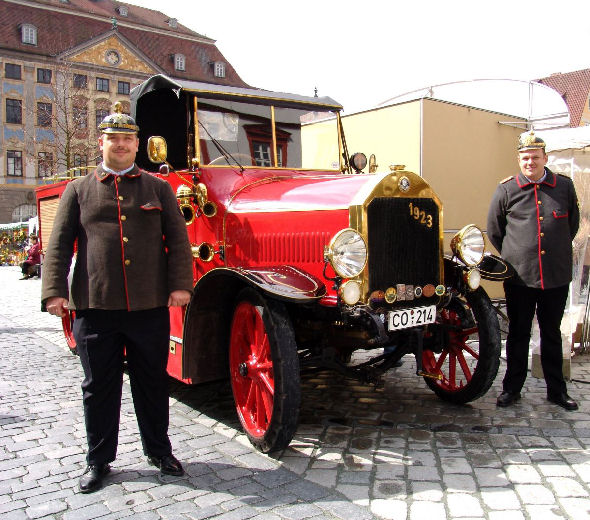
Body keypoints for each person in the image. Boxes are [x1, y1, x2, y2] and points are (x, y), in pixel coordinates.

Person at [41, 102, 194, 493]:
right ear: (101, 142)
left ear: (137, 143)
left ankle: (159, 452)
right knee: (98, 387)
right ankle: (99, 460)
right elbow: (58, 246)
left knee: (152, 383)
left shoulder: (158, 188)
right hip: (95, 308)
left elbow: (178, 241)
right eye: (115, 138)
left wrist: (180, 286)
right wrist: (55, 292)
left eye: (128, 138)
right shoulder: (77, 190)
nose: (122, 145)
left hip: (148, 306)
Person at [487, 130, 580, 411]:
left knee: (551, 333)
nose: (530, 162)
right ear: (519, 160)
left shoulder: (563, 186)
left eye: (535, 157)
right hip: (519, 276)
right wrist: (518, 252)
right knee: (518, 333)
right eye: (525, 158)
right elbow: (495, 230)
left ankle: (557, 391)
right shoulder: (507, 190)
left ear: (545, 158)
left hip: (555, 274)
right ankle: (511, 390)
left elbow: (571, 226)